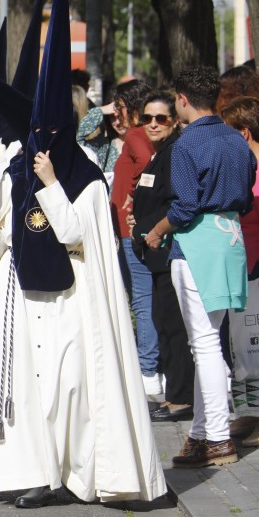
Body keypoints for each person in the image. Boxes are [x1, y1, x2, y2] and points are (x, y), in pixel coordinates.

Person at [0, 0, 164, 508]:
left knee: (72, 387)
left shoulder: (86, 178)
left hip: (72, 298)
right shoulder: (18, 170)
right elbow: (8, 236)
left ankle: (75, 474)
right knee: (32, 389)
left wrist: (51, 183)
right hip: (26, 297)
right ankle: (37, 472)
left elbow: (75, 232)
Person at [145, 66, 256, 468]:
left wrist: (157, 230)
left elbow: (186, 205)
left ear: (183, 99)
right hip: (230, 235)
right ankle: (201, 433)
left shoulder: (187, 142)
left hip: (196, 241)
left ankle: (217, 437)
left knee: (205, 344)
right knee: (210, 341)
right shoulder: (235, 138)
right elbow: (245, 191)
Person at [129, 91, 194, 422]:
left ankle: (182, 398)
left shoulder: (173, 154)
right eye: (147, 118)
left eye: (161, 118)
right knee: (162, 322)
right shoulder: (159, 155)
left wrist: (149, 229)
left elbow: (175, 202)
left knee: (174, 326)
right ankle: (174, 394)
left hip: (167, 250)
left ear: (175, 121)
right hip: (154, 252)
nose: (153, 124)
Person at [219, 97, 259, 447]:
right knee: (246, 347)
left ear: (245, 133)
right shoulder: (249, 167)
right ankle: (251, 411)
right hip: (244, 269)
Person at [110, 79, 161, 397]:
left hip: (133, 230)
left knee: (142, 300)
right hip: (132, 228)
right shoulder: (139, 135)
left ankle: (148, 368)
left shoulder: (136, 135)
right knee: (145, 298)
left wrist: (133, 198)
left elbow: (147, 164)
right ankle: (152, 365)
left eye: (119, 108)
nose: (115, 114)